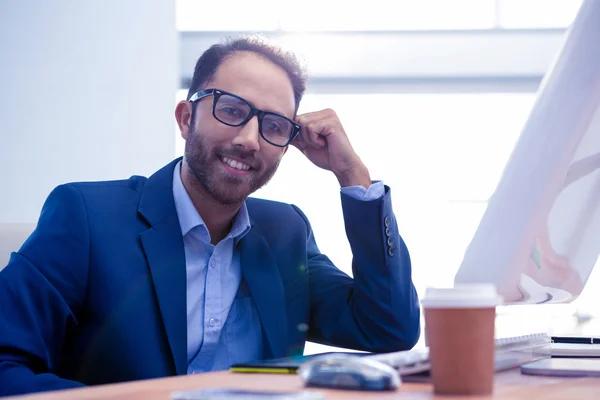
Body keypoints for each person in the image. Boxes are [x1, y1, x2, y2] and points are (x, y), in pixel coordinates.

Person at [0, 36, 420, 396]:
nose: (250, 140)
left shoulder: (285, 231)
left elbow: (387, 328)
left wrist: (353, 176)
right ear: (186, 118)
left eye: (274, 125)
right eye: (232, 110)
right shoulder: (87, 217)